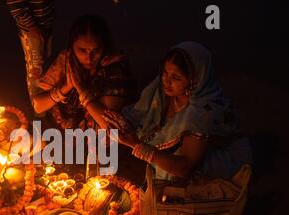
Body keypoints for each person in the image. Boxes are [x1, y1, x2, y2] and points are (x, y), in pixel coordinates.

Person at [103, 41, 252, 181]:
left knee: (172, 175)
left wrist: (136, 145)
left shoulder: (202, 111)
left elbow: (184, 167)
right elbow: (134, 117)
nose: (166, 81)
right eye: (165, 72)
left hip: (214, 161)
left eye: (176, 77)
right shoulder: (162, 92)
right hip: (181, 155)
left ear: (194, 80)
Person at [33, 14, 136, 130]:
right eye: (82, 50)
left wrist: (81, 88)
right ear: (72, 46)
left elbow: (110, 125)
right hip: (63, 137)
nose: (89, 58)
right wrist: (65, 87)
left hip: (103, 144)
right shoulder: (67, 61)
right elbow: (38, 106)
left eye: (95, 50)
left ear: (104, 46)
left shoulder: (115, 68)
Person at [7, 0, 55, 107]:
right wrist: (31, 27)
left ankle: (46, 109)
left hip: (45, 27)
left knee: (45, 72)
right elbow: (14, 4)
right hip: (32, 32)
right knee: (35, 74)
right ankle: (38, 117)